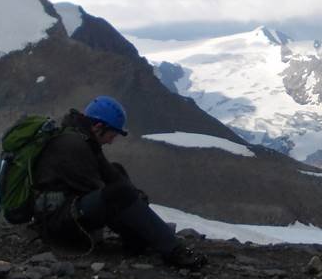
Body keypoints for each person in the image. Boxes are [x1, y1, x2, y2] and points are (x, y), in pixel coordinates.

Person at [31, 95, 206, 269]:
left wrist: (135, 197)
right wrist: (132, 200)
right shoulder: (73, 145)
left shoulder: (84, 140)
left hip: (64, 213)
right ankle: (175, 251)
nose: (111, 140)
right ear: (99, 127)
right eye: (111, 134)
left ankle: (141, 239)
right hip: (56, 224)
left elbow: (111, 175)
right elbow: (98, 190)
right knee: (119, 194)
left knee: (118, 173)